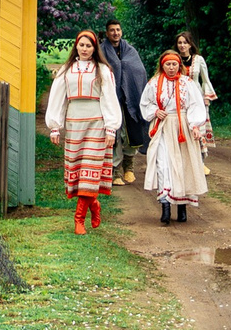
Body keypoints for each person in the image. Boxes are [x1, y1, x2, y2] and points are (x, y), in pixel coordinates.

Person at [42, 29, 124, 233]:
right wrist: (55, 126)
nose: (85, 49)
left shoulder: (102, 70)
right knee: (78, 170)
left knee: (91, 169)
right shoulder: (66, 70)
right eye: (82, 45)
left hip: (96, 122)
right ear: (76, 46)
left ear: (95, 48)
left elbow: (109, 99)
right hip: (74, 122)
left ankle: (79, 219)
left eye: (89, 46)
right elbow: (58, 98)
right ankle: (94, 205)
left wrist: (111, 128)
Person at [140, 47, 212, 223]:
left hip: (183, 127)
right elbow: (145, 103)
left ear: (179, 65)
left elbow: (196, 104)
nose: (171, 68)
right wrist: (156, 111)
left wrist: (195, 125)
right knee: (163, 164)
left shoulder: (187, 83)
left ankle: (182, 207)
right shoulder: (154, 83)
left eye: (174, 64)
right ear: (162, 66)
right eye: (168, 64)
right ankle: (165, 205)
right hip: (164, 127)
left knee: (183, 164)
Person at [101, 19, 149, 182]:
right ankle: (115, 170)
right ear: (107, 33)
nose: (115, 33)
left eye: (118, 30)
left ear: (121, 32)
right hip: (111, 99)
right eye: (112, 30)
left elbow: (139, 71)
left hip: (131, 99)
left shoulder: (130, 51)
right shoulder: (101, 51)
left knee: (129, 133)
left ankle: (129, 166)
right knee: (114, 132)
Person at [172, 30, 217, 104]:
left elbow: (205, 79)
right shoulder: (173, 60)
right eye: (180, 43)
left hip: (196, 95)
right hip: (177, 95)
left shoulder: (198, 59)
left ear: (190, 45)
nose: (182, 45)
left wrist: (206, 97)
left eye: (185, 43)